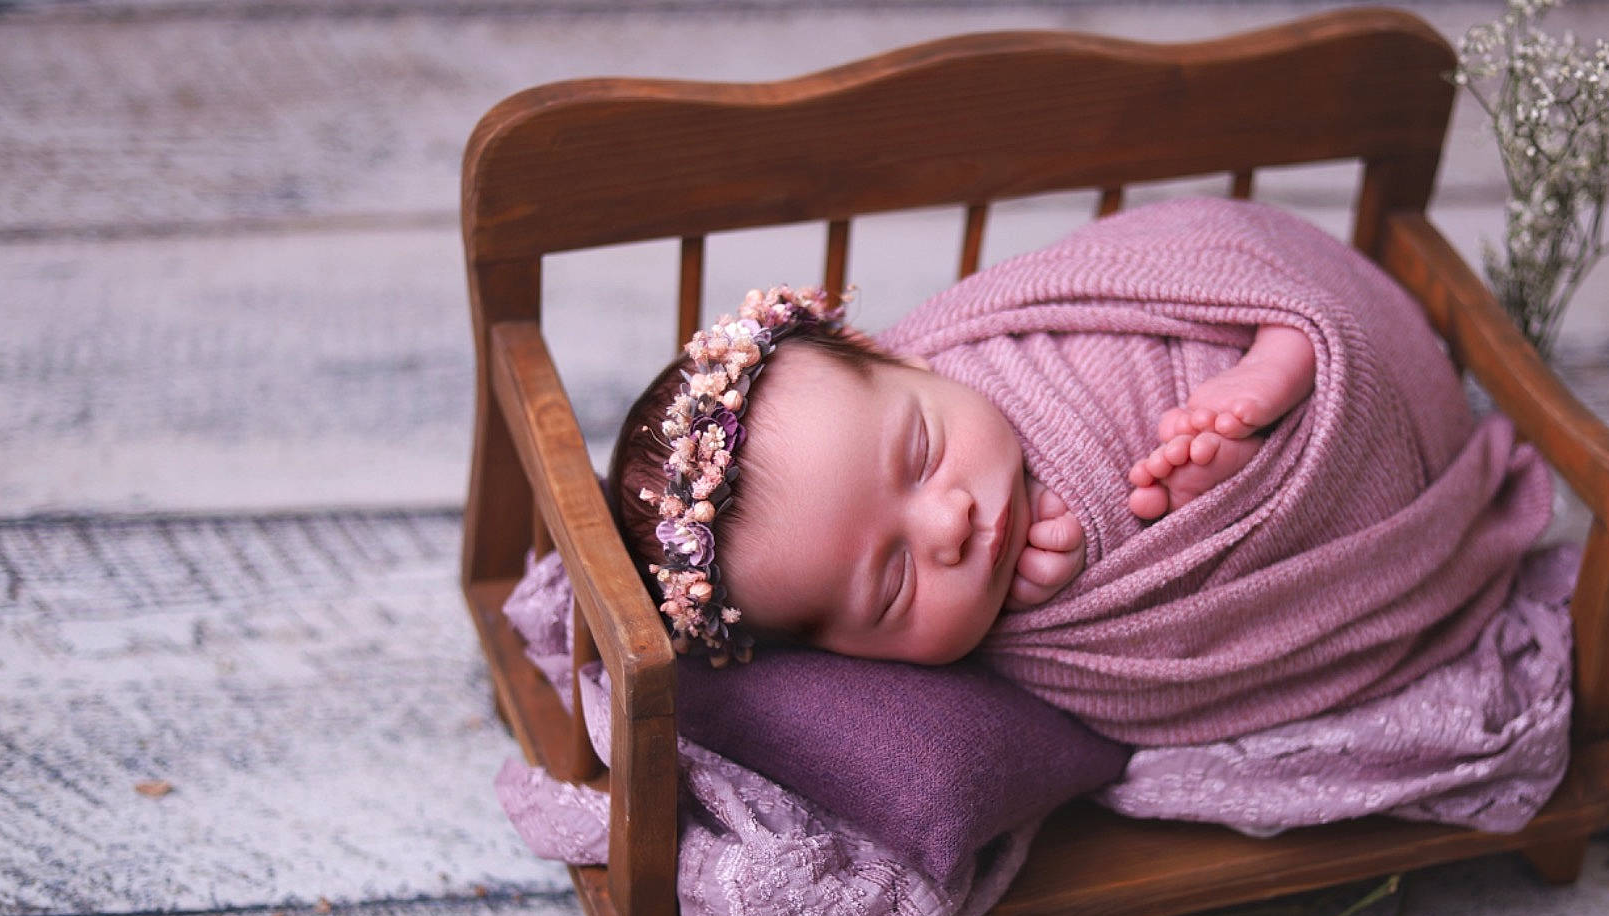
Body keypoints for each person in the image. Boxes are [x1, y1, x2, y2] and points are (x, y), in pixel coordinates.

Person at [607, 197, 1552, 746]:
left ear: (892, 353)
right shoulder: (1033, 649)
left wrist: (1089, 480)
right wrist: (1095, 553)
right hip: (1363, 508)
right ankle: (1242, 462)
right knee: (1168, 490)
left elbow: (1151, 262)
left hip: (1309, 324)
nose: (949, 525)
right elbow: (1164, 658)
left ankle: (1281, 355)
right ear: (842, 658)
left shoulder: (976, 341)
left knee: (1229, 343)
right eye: (893, 582)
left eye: (923, 454)